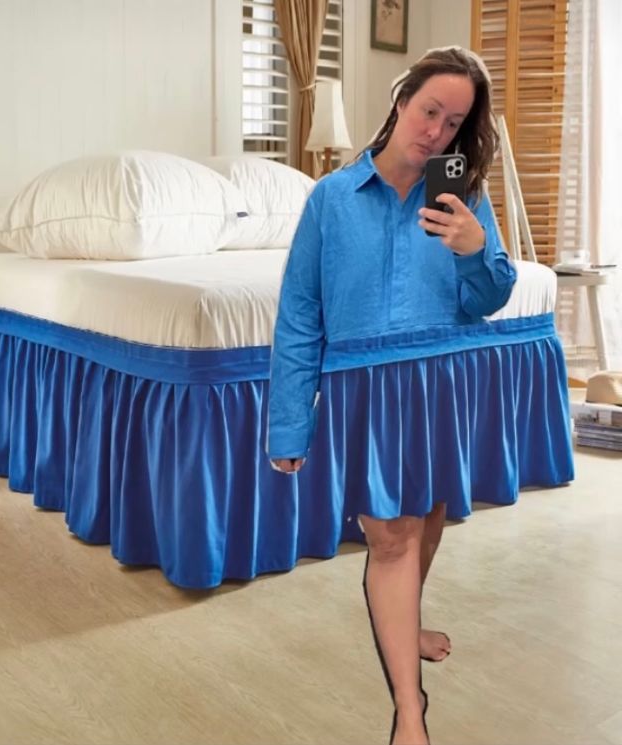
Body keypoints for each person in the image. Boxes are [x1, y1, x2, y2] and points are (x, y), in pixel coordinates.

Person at [266, 46, 517, 745]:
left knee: (427, 517)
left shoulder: (462, 193)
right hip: (367, 389)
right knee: (392, 537)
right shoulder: (331, 199)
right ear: (402, 100)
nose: (436, 131)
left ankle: (406, 624)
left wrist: (476, 249)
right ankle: (410, 708)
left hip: (439, 381)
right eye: (429, 110)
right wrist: (289, 422)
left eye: (454, 122)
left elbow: (488, 299)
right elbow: (300, 314)